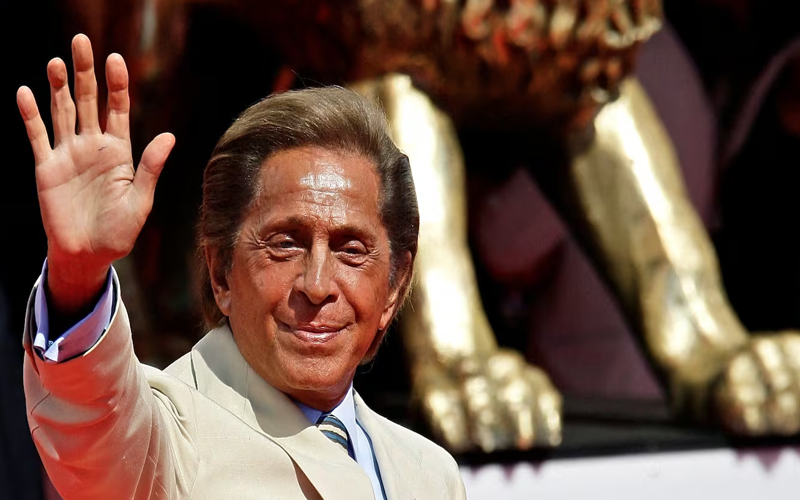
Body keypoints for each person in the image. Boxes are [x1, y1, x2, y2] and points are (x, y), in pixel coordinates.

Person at [16, 34, 465, 500]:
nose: (317, 286)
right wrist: (78, 273)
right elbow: (95, 425)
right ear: (221, 272)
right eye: (285, 244)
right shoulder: (168, 437)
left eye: (351, 250)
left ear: (394, 285)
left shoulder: (430, 474)